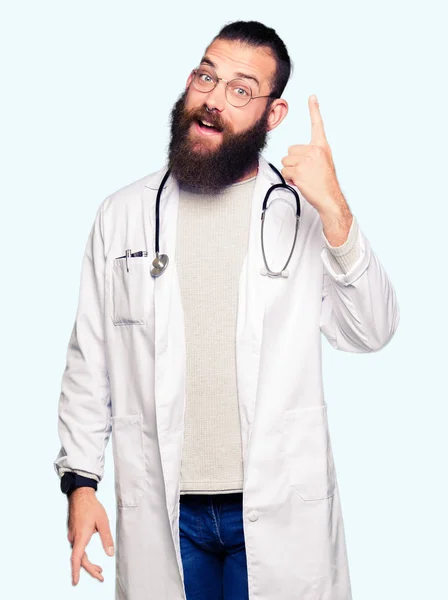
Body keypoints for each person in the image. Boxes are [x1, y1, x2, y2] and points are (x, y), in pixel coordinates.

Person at [54, 20, 400, 600]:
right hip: (167, 509)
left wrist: (336, 207)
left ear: (273, 115)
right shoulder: (122, 215)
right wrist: (81, 484)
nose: (213, 100)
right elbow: (90, 359)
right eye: (206, 76)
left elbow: (372, 330)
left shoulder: (304, 213)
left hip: (277, 504)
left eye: (241, 90)